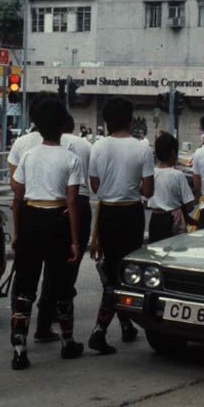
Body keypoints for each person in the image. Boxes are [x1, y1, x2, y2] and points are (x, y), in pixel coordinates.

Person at [10, 98, 84, 370]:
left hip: (30, 220)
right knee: (62, 285)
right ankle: (68, 342)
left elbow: (17, 198)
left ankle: (19, 350)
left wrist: (17, 232)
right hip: (58, 222)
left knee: (25, 288)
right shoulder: (71, 158)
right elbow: (73, 202)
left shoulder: (28, 156)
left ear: (38, 126)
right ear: (63, 125)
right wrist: (75, 241)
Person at [88, 96, 154, 355]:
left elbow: (95, 186)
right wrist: (131, 186)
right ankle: (99, 331)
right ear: (130, 119)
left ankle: (125, 326)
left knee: (113, 269)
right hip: (131, 214)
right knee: (124, 273)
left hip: (106, 214)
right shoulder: (142, 148)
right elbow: (148, 189)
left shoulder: (98, 147)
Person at [147, 133, 195, 243]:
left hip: (155, 219)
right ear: (174, 153)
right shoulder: (177, 175)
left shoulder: (151, 173)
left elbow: (146, 201)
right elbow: (189, 206)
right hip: (173, 221)